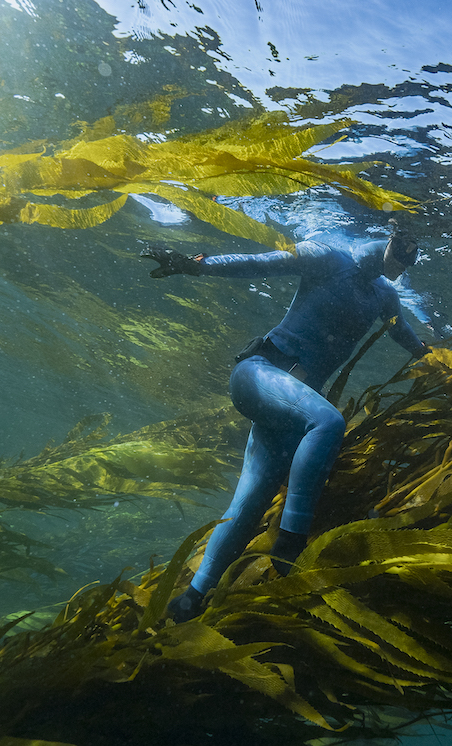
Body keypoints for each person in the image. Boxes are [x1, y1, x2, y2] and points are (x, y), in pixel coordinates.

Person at [140, 223, 427, 622]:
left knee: (251, 499)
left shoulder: (385, 296)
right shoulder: (327, 257)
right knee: (327, 422)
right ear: (391, 241)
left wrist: (444, 362)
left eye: (414, 255)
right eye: (407, 249)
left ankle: (193, 596)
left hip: (290, 406)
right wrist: (194, 265)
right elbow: (259, 264)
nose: (409, 262)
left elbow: (408, 338)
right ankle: (290, 541)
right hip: (257, 373)